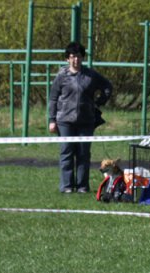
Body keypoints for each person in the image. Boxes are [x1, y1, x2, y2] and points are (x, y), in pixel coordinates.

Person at [48, 41, 113, 194]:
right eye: (72, 57)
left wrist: (99, 102)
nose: (75, 60)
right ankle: (67, 186)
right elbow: (53, 98)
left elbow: (107, 87)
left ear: (82, 58)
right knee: (66, 152)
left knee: (83, 154)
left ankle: (82, 186)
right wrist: (52, 120)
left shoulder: (91, 75)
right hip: (64, 121)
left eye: (78, 56)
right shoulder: (61, 76)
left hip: (86, 121)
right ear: (67, 59)